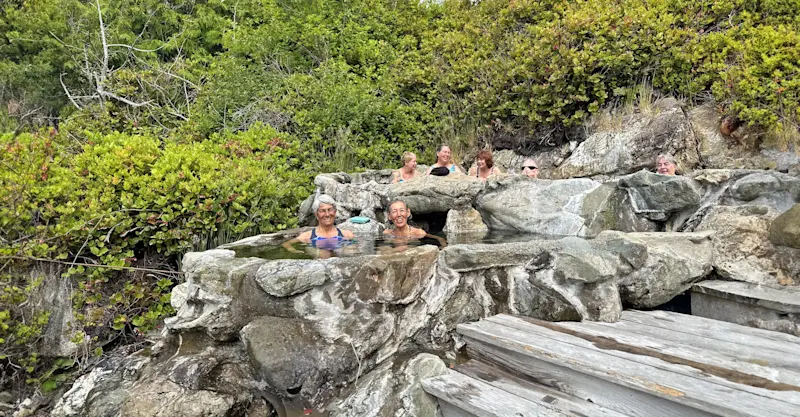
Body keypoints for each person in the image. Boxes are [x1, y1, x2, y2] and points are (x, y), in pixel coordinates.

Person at [282, 194, 355, 256]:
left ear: (335, 212)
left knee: (349, 250)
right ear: (316, 215)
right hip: (319, 264)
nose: (327, 214)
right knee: (322, 253)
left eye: (330, 210)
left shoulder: (347, 234)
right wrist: (294, 250)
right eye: (322, 211)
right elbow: (286, 244)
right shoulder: (307, 236)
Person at [383, 200, 447, 249]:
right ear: (389, 216)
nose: (399, 214)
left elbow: (439, 238)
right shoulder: (387, 233)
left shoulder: (418, 232)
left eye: (402, 210)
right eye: (394, 211)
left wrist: (443, 245)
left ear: (408, 212)